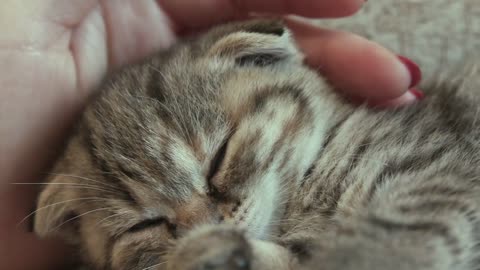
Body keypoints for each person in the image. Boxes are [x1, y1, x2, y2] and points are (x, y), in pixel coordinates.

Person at [0, 1, 422, 269]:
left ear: (259, 59)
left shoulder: (367, 158)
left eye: (220, 162)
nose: (205, 226)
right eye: (143, 224)